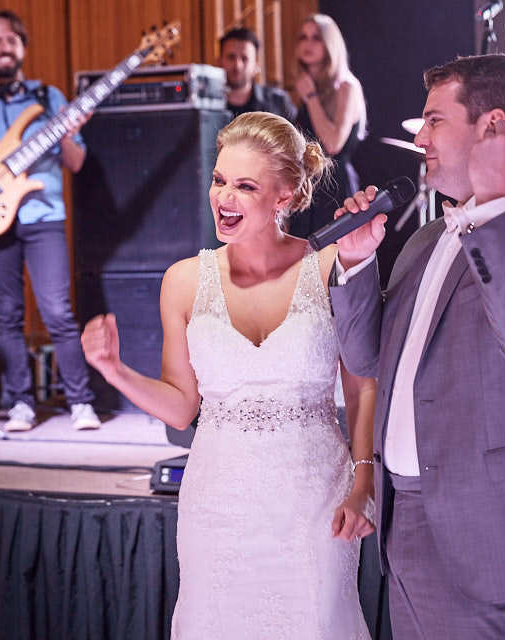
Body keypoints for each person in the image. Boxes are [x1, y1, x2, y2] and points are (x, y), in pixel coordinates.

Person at [330, 55, 505, 638]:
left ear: (493, 128)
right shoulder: (428, 238)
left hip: (492, 535)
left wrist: (498, 201)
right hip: (405, 523)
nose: (419, 137)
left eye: (433, 121)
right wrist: (355, 262)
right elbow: (364, 360)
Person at [81, 111, 376, 639]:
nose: (224, 198)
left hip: (313, 498)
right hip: (217, 503)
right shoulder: (184, 281)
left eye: (244, 186)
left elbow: (361, 385)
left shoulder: (332, 264)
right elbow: (180, 406)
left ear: (284, 197)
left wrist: (363, 484)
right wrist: (114, 370)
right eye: (219, 181)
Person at [0, 10, 99, 432]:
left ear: (22, 47)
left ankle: (80, 402)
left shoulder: (49, 98)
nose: (4, 47)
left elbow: (77, 161)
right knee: (8, 315)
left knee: (57, 311)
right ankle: (19, 402)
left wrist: (66, 133)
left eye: (11, 39)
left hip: (43, 214)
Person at [289, 13, 366, 240]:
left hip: (335, 187)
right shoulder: (306, 88)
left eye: (316, 38)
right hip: (307, 187)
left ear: (330, 43)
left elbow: (332, 144)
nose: (307, 44)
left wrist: (311, 96)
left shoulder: (346, 87)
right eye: (303, 37)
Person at [218, 27, 297, 123]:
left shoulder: (278, 102)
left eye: (244, 58)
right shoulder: (203, 104)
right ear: (219, 61)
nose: (237, 65)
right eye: (231, 57)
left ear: (256, 64)